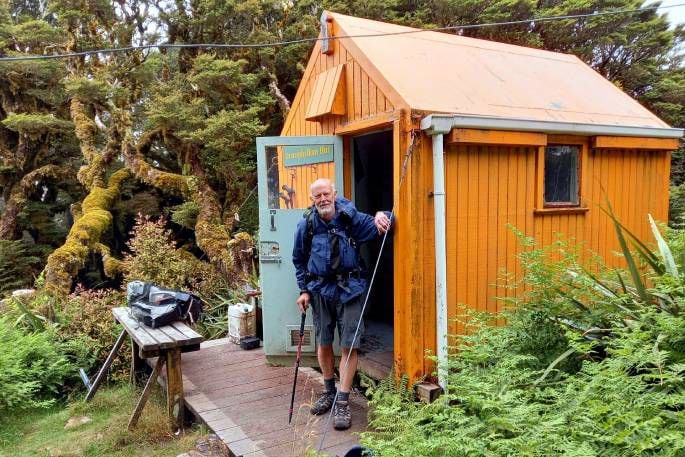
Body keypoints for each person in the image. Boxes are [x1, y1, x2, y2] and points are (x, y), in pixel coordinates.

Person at [292, 178, 391, 430]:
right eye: (317, 196)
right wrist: (304, 290)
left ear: (334, 194)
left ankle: (343, 401)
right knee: (324, 343)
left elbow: (382, 224)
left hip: (350, 290)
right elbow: (299, 258)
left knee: (349, 345)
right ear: (312, 199)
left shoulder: (350, 218)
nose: (323, 199)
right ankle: (328, 391)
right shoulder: (307, 224)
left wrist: (384, 213)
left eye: (326, 194)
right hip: (321, 290)